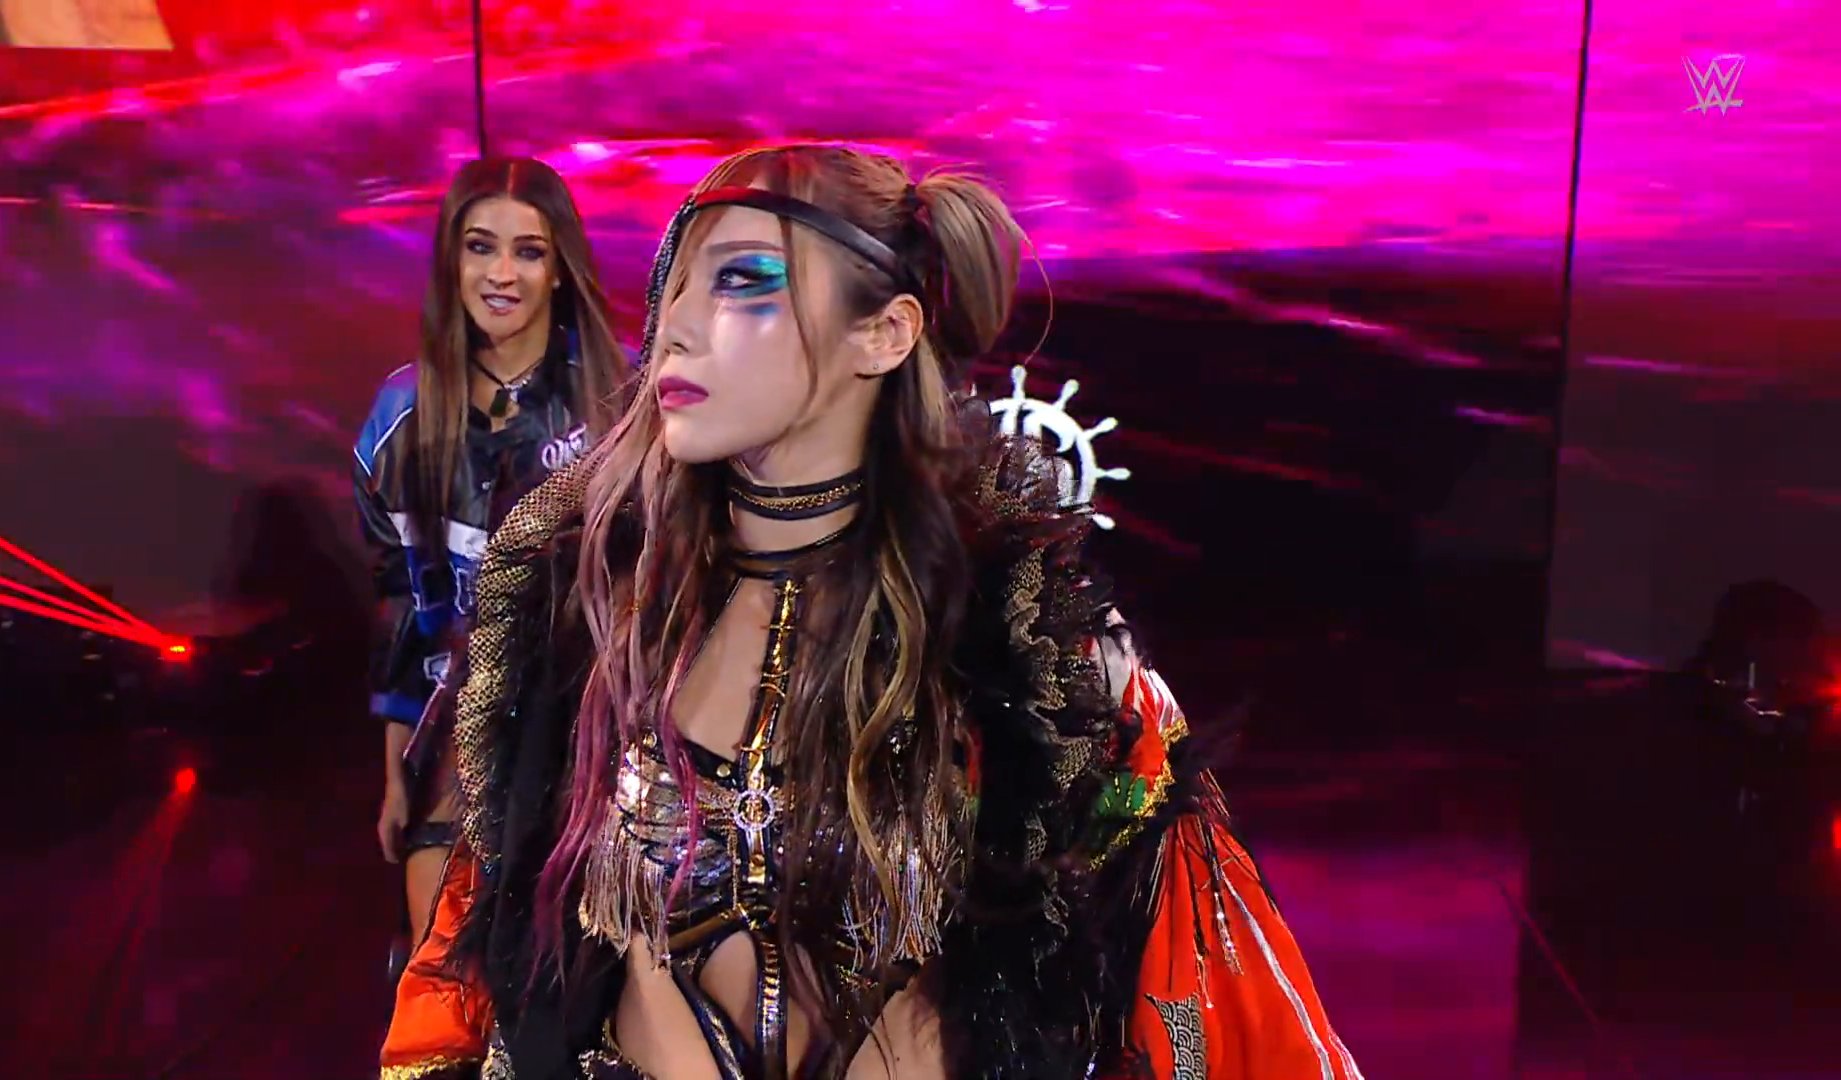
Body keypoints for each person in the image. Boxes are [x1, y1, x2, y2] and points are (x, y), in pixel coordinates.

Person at [380, 144, 1362, 1079]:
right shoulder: (584, 612)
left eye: (741, 282)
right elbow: (479, 957)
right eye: (676, 284)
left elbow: (1201, 992)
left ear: (884, 333)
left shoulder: (1034, 655)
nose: (674, 325)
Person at [355, 156, 630, 948]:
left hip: (594, 737)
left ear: (559, 268)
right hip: (456, 739)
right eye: (480, 247)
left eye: (528, 251)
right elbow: (403, 609)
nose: (501, 273)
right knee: (441, 978)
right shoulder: (397, 421)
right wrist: (398, 773)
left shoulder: (620, 403)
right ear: (452, 258)